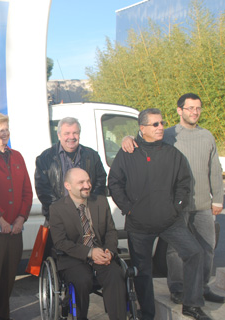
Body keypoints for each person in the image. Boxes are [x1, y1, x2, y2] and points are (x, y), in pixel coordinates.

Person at [121, 93, 224, 305]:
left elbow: (215, 169)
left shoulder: (207, 136)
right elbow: (143, 138)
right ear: (180, 110)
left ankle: (201, 288)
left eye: (198, 108)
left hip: (203, 203)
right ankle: (177, 288)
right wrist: (127, 139)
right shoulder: (167, 134)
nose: (194, 112)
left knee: (206, 247)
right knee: (176, 250)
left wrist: (218, 199)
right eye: (190, 108)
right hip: (177, 206)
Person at [108, 108, 210, 320]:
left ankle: (192, 304)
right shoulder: (127, 153)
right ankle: (147, 314)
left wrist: (177, 207)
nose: (161, 127)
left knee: (194, 253)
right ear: (142, 128)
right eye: (155, 124)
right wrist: (128, 209)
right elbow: (115, 183)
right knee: (142, 271)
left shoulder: (173, 154)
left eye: (162, 123)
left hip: (169, 221)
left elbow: (184, 183)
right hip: (139, 225)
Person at [50, 168, 126, 320]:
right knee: (81, 280)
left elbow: (111, 232)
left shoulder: (100, 202)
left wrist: (109, 251)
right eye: (81, 182)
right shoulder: (57, 208)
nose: (87, 185)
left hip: (102, 253)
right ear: (68, 186)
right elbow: (60, 242)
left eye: (88, 181)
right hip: (74, 257)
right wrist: (89, 252)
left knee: (115, 274)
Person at [0, 111, 33, 320]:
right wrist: (0, 218)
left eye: (6, 129)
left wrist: (21, 218)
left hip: (15, 231)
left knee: (9, 281)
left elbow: (27, 191)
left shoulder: (17, 156)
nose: (4, 134)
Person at [35, 117, 106, 220]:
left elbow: (100, 183)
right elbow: (43, 191)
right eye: (67, 133)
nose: (71, 137)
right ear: (59, 135)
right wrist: (61, 212)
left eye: (75, 133)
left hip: (87, 216)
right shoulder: (45, 158)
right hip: (59, 219)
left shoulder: (92, 156)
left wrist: (89, 207)